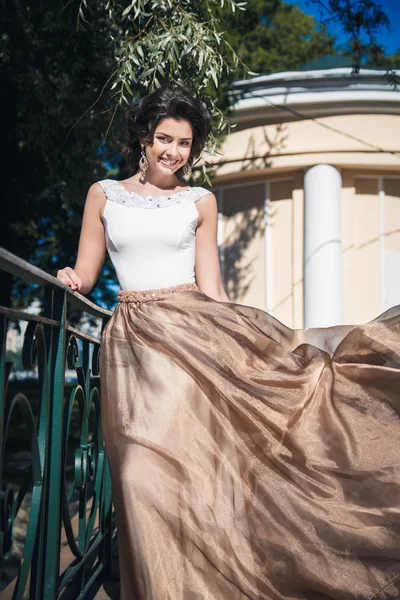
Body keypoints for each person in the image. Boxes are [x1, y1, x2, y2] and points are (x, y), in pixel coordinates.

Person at [57, 85, 400, 600]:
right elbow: (87, 270)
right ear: (143, 139)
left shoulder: (200, 201)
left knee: (176, 465)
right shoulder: (104, 194)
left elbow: (212, 287)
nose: (173, 151)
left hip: (192, 336)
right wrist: (72, 281)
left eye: (185, 143)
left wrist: (247, 346)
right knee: (135, 472)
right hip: (131, 340)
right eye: (164, 138)